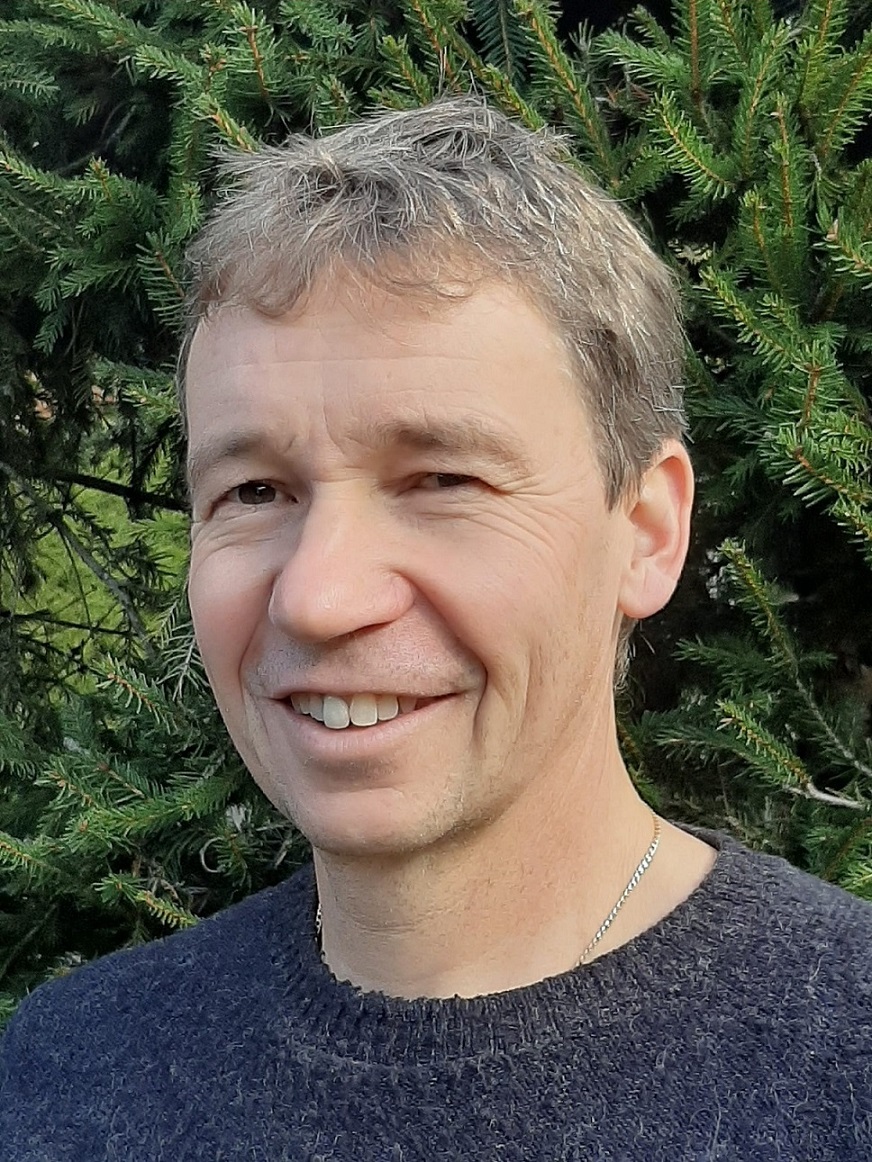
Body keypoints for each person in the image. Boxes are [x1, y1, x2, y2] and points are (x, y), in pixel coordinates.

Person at [1, 96, 870, 1161]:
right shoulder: (72, 1071)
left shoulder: (845, 1064)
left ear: (646, 532)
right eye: (254, 492)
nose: (317, 597)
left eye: (442, 480)